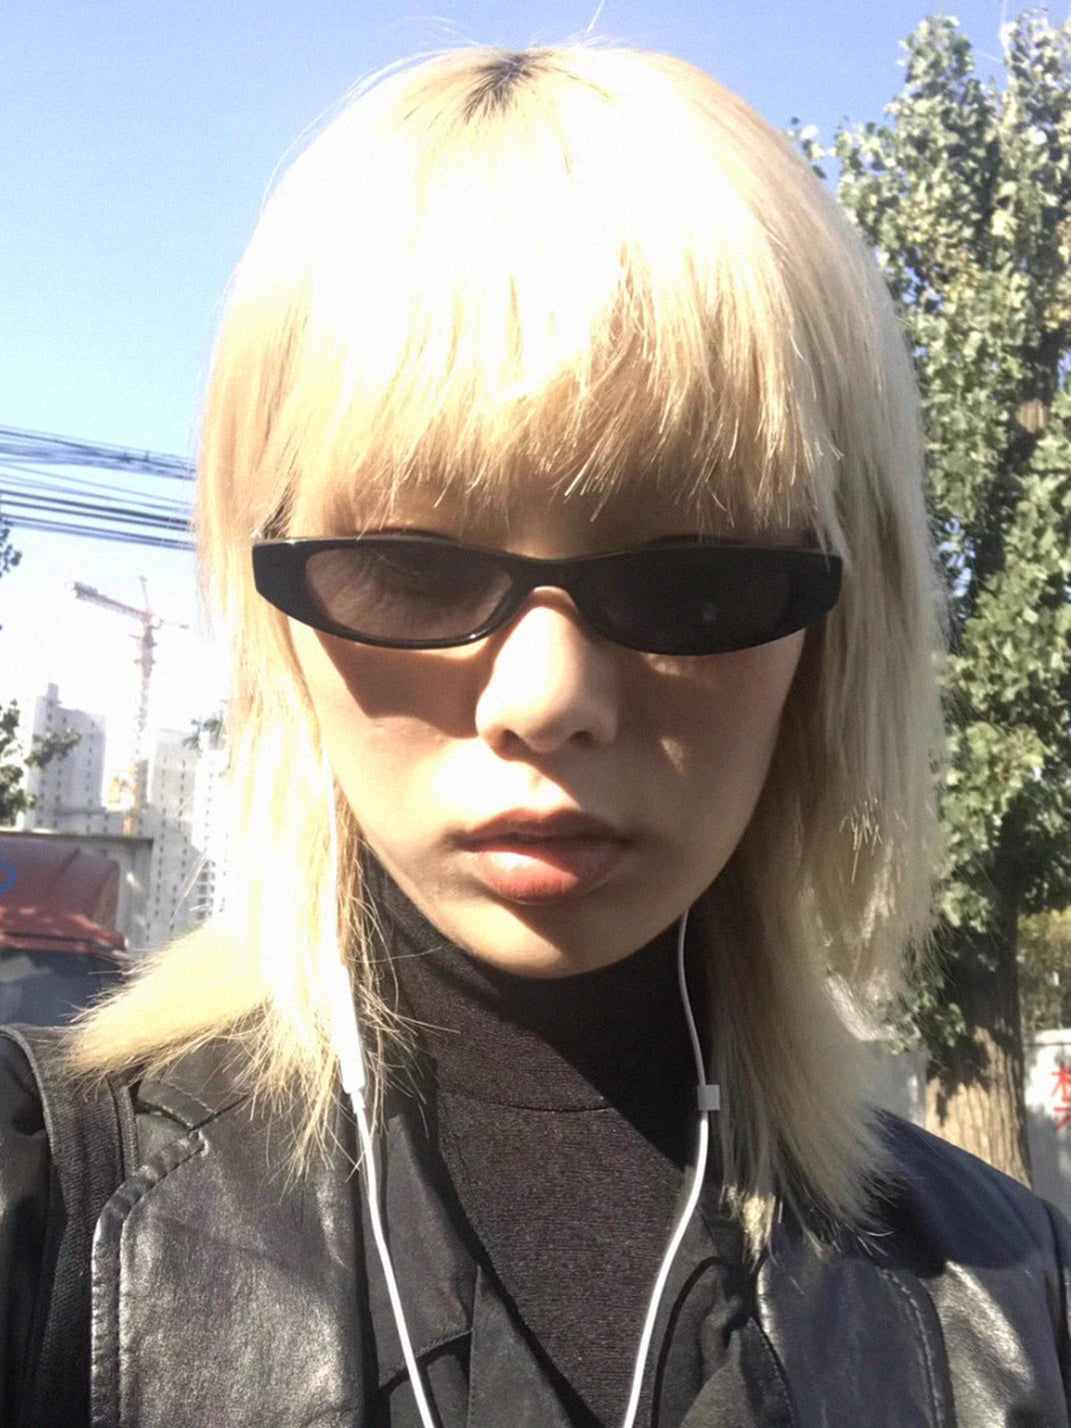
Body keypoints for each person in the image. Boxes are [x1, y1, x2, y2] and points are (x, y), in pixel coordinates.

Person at [2, 43, 1069, 1428]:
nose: (547, 695)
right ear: (276, 614)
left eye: (695, 580)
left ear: (833, 633)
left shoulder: (1014, 1301)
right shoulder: (51, 1223)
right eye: (410, 567)